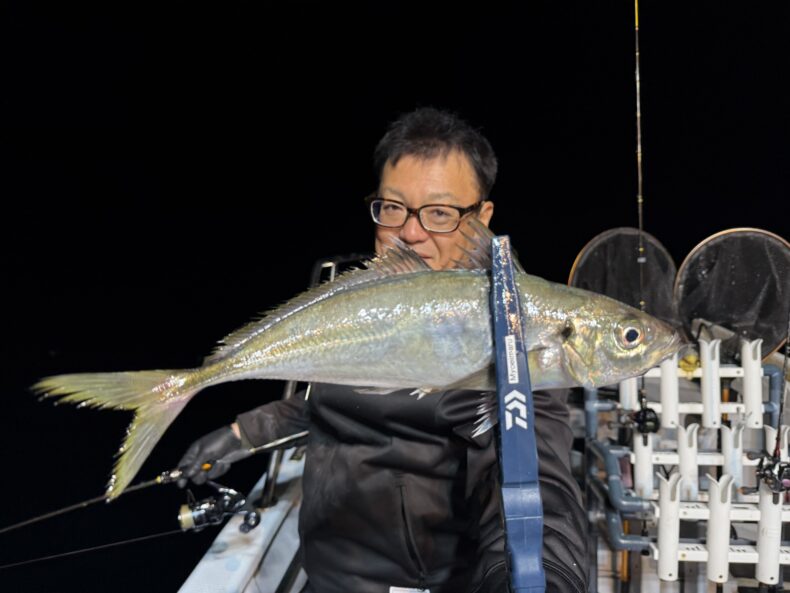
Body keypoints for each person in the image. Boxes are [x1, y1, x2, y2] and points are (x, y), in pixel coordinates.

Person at [177, 107, 588, 593]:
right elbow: (331, 399)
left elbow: (535, 472)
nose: (411, 232)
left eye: (440, 213)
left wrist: (539, 574)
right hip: (323, 571)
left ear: (482, 218)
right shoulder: (368, 307)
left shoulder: (511, 330)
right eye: (393, 208)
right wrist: (243, 432)